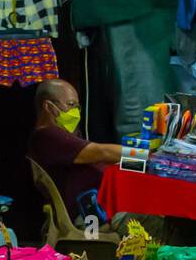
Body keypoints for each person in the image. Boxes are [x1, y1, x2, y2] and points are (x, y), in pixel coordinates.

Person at [27, 79, 124, 222]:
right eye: (71, 105)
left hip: (106, 206)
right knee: (159, 216)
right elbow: (102, 152)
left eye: (77, 107)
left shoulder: (66, 137)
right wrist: (143, 154)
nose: (76, 112)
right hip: (90, 216)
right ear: (48, 106)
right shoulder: (47, 136)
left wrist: (144, 164)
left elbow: (106, 160)